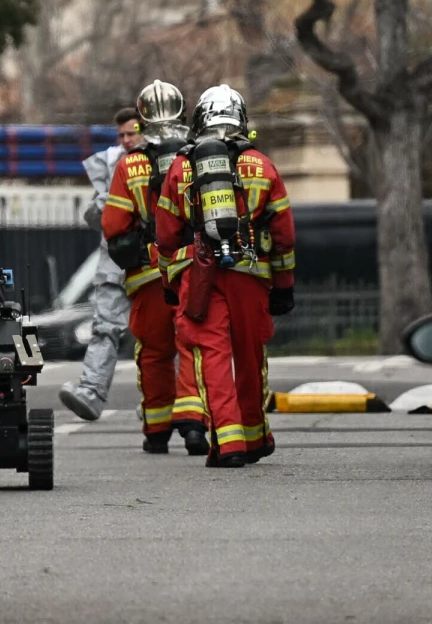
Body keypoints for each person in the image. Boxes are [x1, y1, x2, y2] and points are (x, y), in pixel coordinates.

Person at [155, 84, 296, 468]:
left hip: (198, 275)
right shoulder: (263, 166)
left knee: (211, 357)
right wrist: (284, 287)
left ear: (199, 120)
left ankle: (228, 443)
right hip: (250, 274)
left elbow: (166, 234)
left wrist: (170, 285)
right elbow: (283, 234)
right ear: (241, 119)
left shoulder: (181, 167)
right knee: (249, 355)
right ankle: (254, 436)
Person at [100, 83, 208, 456]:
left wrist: (145, 250)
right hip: (194, 268)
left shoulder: (130, 166)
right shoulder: (198, 156)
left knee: (154, 351)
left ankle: (157, 429)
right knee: (193, 345)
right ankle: (194, 425)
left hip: (148, 274)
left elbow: (114, 229)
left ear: (141, 120)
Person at [58, 109, 144, 420]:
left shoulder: (159, 158)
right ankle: (91, 391)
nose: (126, 140)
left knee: (159, 335)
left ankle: (161, 403)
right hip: (116, 259)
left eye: (132, 133)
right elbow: (96, 219)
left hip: (151, 261)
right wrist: (101, 206)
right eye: (121, 135)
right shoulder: (110, 162)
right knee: (104, 327)